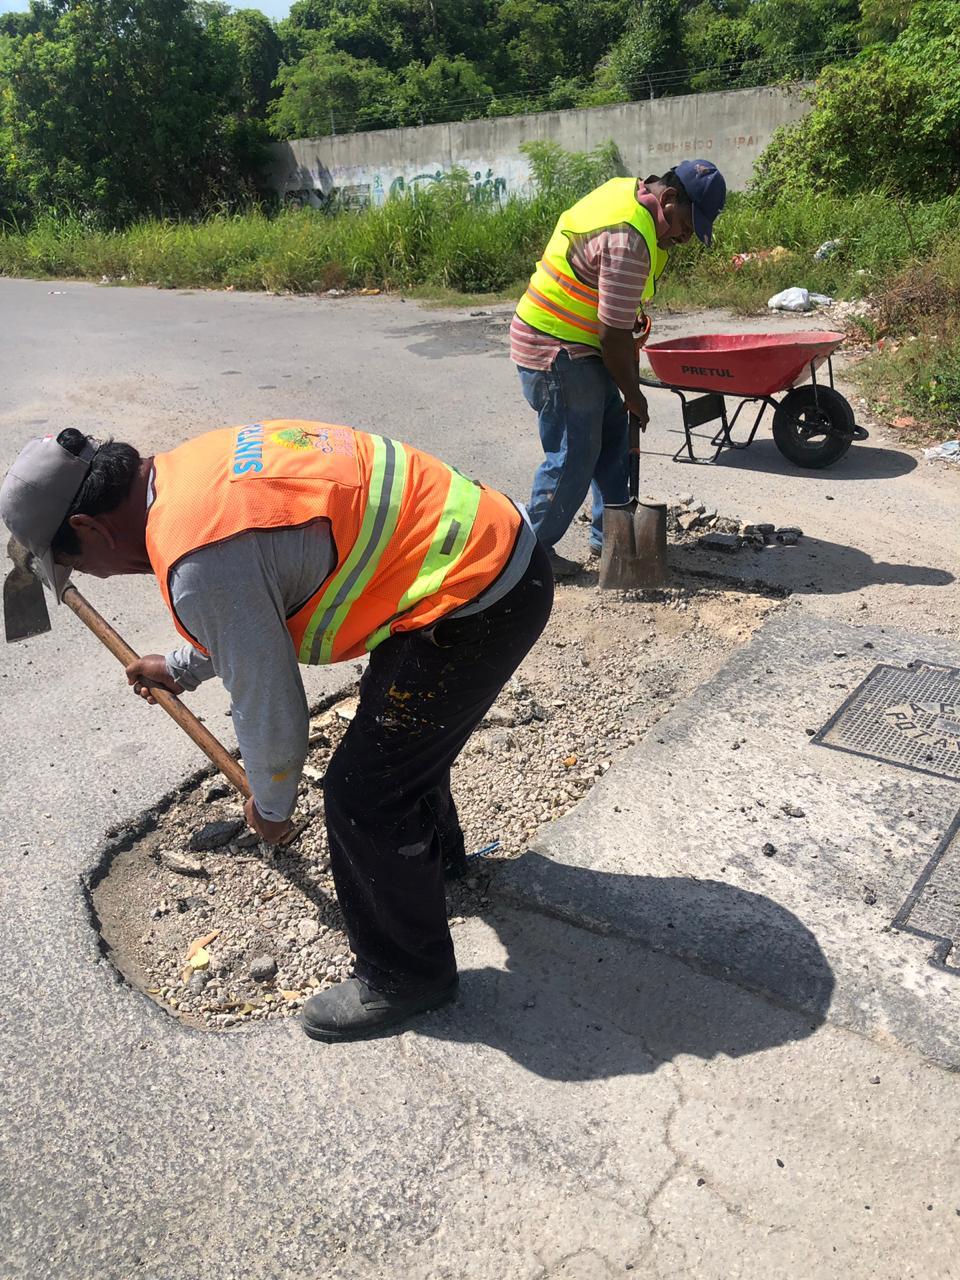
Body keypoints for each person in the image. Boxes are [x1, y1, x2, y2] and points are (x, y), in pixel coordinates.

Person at [0, 421, 553, 1042]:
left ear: (87, 529)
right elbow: (255, 600)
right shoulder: (188, 474)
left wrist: (270, 805)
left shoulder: (196, 554)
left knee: (364, 792)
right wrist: (180, 667)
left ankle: (408, 977)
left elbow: (270, 707)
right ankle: (438, 868)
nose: (96, 578)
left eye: (78, 566)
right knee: (394, 742)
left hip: (477, 597)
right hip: (476, 554)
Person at [511, 159, 727, 576]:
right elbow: (612, 337)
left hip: (582, 341)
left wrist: (628, 357)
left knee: (612, 437)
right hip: (555, 346)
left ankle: (610, 536)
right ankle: (527, 555)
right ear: (667, 199)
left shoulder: (628, 194)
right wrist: (635, 394)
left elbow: (617, 320)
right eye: (687, 223)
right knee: (575, 452)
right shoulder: (630, 237)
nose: (685, 236)